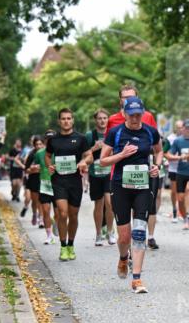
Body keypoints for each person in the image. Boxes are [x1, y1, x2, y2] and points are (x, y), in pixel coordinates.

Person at [101, 96, 163, 294]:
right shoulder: (115, 132)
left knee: (139, 232)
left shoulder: (150, 132)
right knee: (124, 236)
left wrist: (156, 166)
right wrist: (122, 155)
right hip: (120, 186)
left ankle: (136, 278)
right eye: (131, 115)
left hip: (143, 186)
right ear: (124, 114)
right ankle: (122, 257)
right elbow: (102, 161)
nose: (135, 118)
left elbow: (159, 151)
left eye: (139, 115)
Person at [106, 84, 160, 249]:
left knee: (140, 212)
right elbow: (107, 150)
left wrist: (156, 166)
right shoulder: (113, 121)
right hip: (119, 175)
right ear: (120, 100)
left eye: (131, 97)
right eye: (125, 97)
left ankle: (146, 238)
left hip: (144, 173)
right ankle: (125, 246)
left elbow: (155, 145)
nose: (128, 100)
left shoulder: (148, 117)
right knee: (124, 222)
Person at [46, 108, 91, 261]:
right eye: (63, 118)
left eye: (68, 118)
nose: (66, 121)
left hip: (75, 181)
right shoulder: (53, 139)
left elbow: (89, 155)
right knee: (62, 213)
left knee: (73, 215)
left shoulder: (81, 138)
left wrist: (84, 162)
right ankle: (63, 246)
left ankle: (71, 244)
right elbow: (47, 155)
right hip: (59, 181)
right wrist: (49, 166)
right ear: (59, 121)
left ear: (72, 120)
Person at [87, 109, 116, 246]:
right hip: (95, 173)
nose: (102, 120)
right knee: (98, 204)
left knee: (110, 203)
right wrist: (93, 148)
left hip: (109, 173)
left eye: (105, 118)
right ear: (95, 120)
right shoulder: (90, 135)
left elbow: (118, 151)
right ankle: (98, 234)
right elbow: (83, 154)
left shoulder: (113, 133)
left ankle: (110, 232)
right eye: (100, 118)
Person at [168, 118, 189, 229]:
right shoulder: (178, 141)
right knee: (180, 198)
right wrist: (179, 157)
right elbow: (169, 154)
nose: (188, 130)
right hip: (181, 172)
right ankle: (185, 218)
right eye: (186, 128)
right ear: (183, 129)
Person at [7, 138, 24, 202]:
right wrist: (13, 158)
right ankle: (13, 192)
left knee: (19, 184)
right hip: (13, 168)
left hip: (20, 168)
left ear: (21, 143)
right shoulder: (12, 150)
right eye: (17, 142)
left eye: (19, 142)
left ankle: (17, 196)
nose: (18, 143)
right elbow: (7, 157)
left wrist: (22, 159)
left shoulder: (22, 151)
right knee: (14, 183)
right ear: (15, 143)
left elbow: (25, 158)